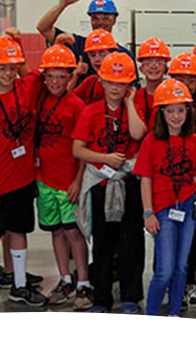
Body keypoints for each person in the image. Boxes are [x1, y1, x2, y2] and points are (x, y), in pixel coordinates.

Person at [0, 36, 49, 313]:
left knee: (20, 232)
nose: (8, 73)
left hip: (24, 180)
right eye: (2, 68)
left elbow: (45, 72)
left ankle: (19, 284)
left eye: (12, 67)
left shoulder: (26, 88)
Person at [71, 52, 148, 313]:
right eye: (111, 82)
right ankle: (102, 297)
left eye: (122, 83)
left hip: (129, 184)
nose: (116, 88)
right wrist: (104, 157)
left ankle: (130, 297)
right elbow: (78, 149)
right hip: (101, 185)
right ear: (102, 82)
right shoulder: (91, 112)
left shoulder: (133, 109)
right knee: (103, 244)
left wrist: (130, 103)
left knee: (131, 242)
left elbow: (138, 134)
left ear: (129, 86)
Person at [135, 79, 196, 317]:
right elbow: (145, 179)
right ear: (161, 113)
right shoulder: (151, 142)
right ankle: (152, 314)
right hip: (163, 210)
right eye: (170, 111)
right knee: (164, 269)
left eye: (181, 110)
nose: (176, 116)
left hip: (188, 207)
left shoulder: (195, 141)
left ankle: (174, 314)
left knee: (181, 267)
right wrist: (148, 213)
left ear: (188, 112)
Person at [30, 45, 91, 309]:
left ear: (70, 77)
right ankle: (64, 278)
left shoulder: (77, 106)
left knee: (73, 232)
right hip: (45, 180)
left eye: (60, 76)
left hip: (68, 182)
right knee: (55, 232)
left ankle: (83, 282)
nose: (55, 82)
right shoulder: (41, 100)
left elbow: (83, 149)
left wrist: (77, 180)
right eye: (50, 76)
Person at [168, 52, 196, 308]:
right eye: (179, 78)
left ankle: (189, 285)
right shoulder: (163, 110)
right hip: (168, 185)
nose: (185, 83)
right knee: (167, 238)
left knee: (192, 238)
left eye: (191, 79)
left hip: (194, 184)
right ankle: (171, 284)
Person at [36, 0, 135, 67]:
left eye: (105, 18)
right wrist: (64, 3)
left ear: (114, 21)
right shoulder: (77, 45)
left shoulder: (124, 55)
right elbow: (43, 28)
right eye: (95, 18)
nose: (100, 23)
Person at [71, 29, 124, 105]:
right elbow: (66, 102)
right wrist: (75, 74)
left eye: (102, 54)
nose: (97, 59)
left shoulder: (123, 84)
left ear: (113, 54)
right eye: (93, 55)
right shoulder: (90, 82)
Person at [131, 37, 172, 124]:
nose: (154, 67)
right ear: (141, 69)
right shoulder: (134, 97)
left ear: (166, 68)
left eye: (158, 62)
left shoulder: (172, 95)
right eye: (149, 63)